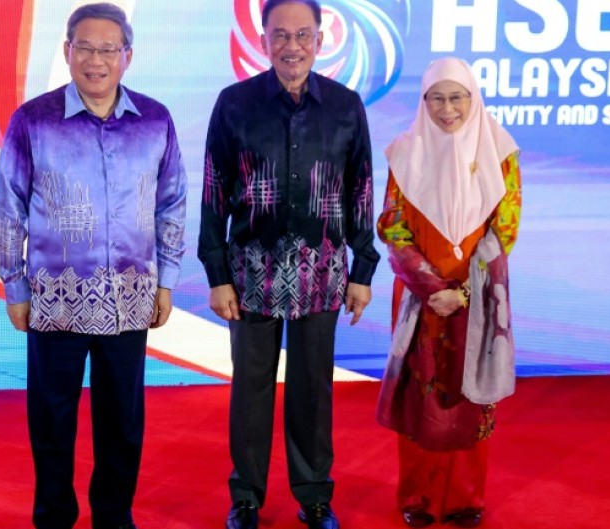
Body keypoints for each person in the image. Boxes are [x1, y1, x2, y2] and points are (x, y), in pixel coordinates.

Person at [0, 4, 187, 528]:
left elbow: (172, 203)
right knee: (52, 420)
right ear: (67, 51)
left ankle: (114, 518)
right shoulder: (34, 121)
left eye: (108, 49)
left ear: (127, 56)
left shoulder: (155, 120)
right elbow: (9, 205)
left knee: (122, 422)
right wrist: (15, 283)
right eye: (85, 48)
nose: (96, 61)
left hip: (131, 297)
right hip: (54, 298)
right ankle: (54, 516)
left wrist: (166, 280)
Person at [197, 1, 379, 528]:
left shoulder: (345, 106)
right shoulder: (235, 104)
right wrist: (217, 274)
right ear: (263, 38)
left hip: (321, 272)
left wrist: (362, 270)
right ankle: (246, 498)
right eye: (281, 35)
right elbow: (213, 190)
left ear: (321, 40)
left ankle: (315, 496)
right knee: (249, 390)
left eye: (303, 35)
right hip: (250, 271)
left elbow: (361, 189)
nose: (292, 46)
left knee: (312, 388)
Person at [375, 58, 522, 528]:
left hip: (477, 296)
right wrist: (433, 286)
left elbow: (505, 228)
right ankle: (417, 498)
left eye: (457, 97)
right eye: (436, 97)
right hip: (420, 298)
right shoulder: (404, 152)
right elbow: (393, 226)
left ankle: (465, 499)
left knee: (470, 395)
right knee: (419, 399)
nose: (447, 108)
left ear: (473, 98)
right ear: (423, 101)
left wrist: (463, 291)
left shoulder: (500, 152)